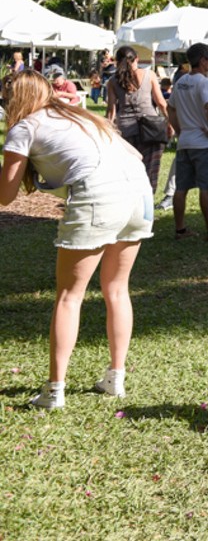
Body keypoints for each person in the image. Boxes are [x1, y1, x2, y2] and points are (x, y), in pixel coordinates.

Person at [1, 69, 155, 408]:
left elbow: (5, 196)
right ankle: (116, 379)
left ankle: (54, 391)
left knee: (69, 296)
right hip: (138, 192)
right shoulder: (83, 116)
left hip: (100, 197)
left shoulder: (25, 128)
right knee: (117, 288)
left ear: (13, 100)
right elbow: (137, 156)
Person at [166, 42, 208, 240]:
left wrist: (180, 129)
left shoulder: (180, 81)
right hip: (203, 143)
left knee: (181, 188)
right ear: (203, 60)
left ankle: (180, 229)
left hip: (185, 141)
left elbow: (170, 108)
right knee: (207, 187)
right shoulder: (203, 82)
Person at [104, 44, 170, 201]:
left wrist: (107, 130)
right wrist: (170, 123)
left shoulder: (113, 82)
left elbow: (111, 111)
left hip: (126, 131)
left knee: (131, 170)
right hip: (152, 128)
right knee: (151, 170)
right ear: (137, 59)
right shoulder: (149, 75)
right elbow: (161, 103)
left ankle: (131, 202)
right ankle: (146, 202)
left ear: (117, 61)